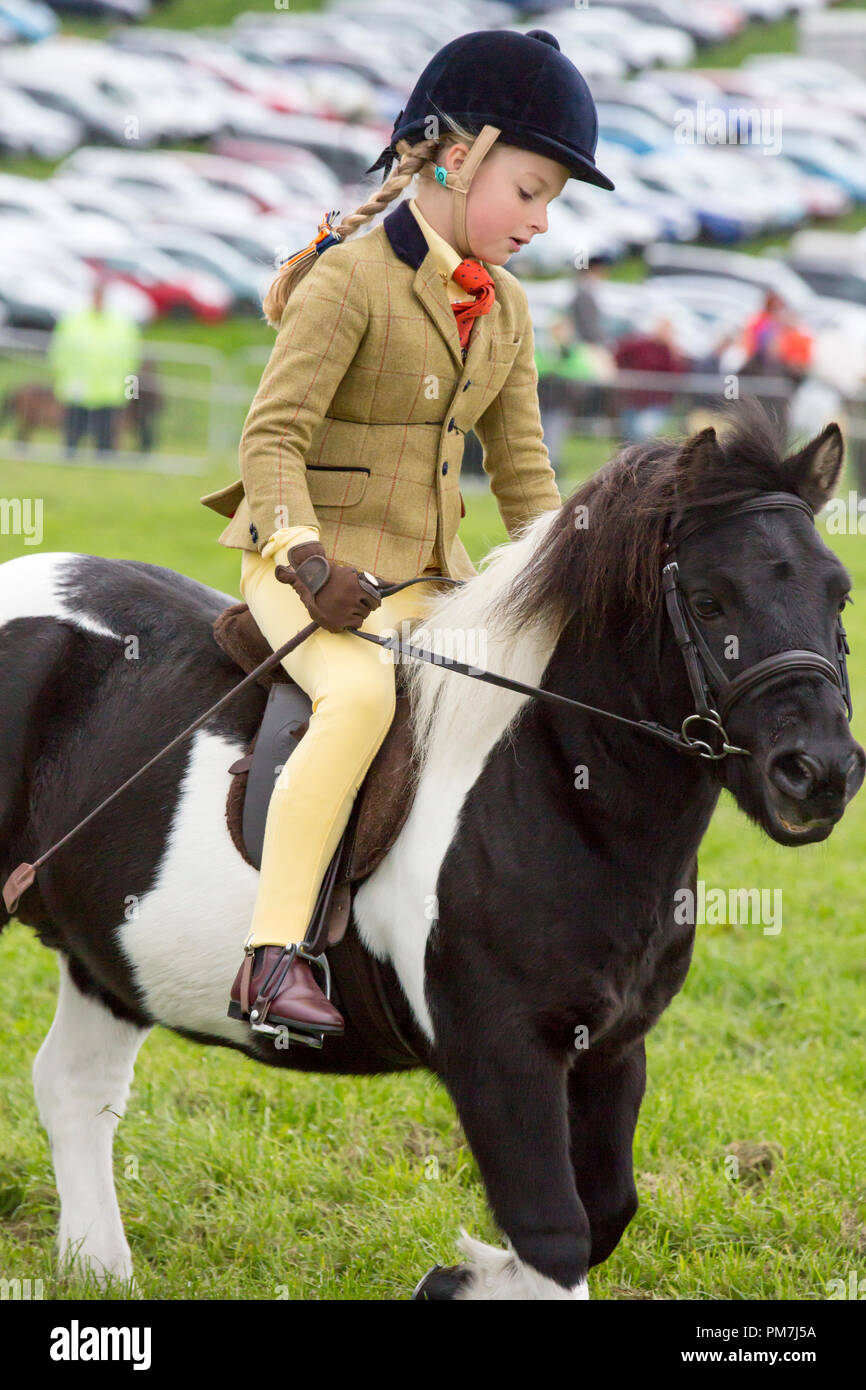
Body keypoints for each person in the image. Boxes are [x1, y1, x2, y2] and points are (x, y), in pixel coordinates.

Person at [198, 28, 615, 1041]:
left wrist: (576, 583)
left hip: (431, 576)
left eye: (553, 202)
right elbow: (272, 438)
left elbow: (523, 474)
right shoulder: (349, 280)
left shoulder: (506, 309)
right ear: (457, 158)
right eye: (530, 191)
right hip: (306, 563)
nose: (541, 221)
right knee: (359, 698)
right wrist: (304, 559)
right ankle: (273, 955)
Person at [49, 278, 141, 457]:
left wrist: (129, 387)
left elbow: (132, 356)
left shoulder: (122, 325)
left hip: (108, 388)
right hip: (77, 385)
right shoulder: (74, 321)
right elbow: (59, 351)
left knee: (105, 428)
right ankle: (70, 455)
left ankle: (104, 457)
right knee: (74, 425)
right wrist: (60, 375)